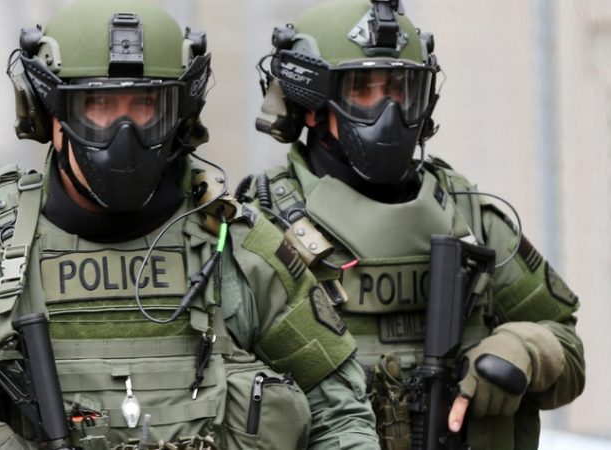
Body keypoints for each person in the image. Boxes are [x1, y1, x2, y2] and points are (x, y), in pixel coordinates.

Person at [0, 1, 380, 449]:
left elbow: (339, 411)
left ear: (178, 113)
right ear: (49, 114)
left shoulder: (239, 245)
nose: (122, 134)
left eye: (145, 105)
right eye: (97, 107)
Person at [245, 0, 585, 449]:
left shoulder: (468, 216)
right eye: (363, 91)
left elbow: (568, 348)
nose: (389, 112)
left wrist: (523, 349)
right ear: (311, 107)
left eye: (401, 90)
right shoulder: (261, 224)